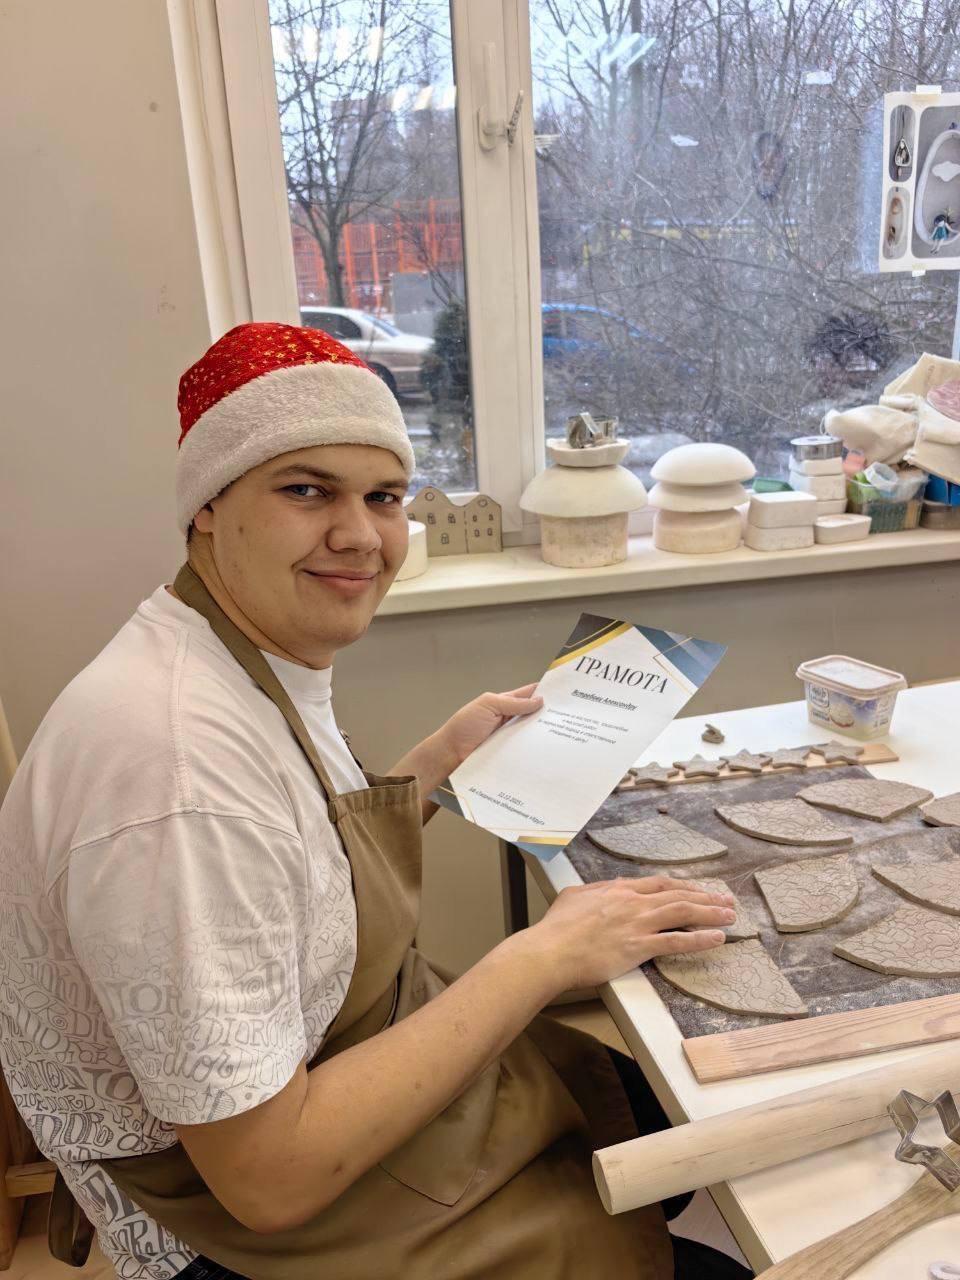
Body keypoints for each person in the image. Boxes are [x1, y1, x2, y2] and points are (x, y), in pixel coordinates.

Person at [0, 322, 749, 1280]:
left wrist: (434, 762)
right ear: (208, 506)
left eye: (384, 496)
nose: (360, 536)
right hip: (249, 1217)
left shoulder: (227, 650)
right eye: (305, 490)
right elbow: (269, 1178)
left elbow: (289, 863)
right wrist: (542, 956)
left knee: (649, 1115)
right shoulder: (177, 776)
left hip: (334, 1059)